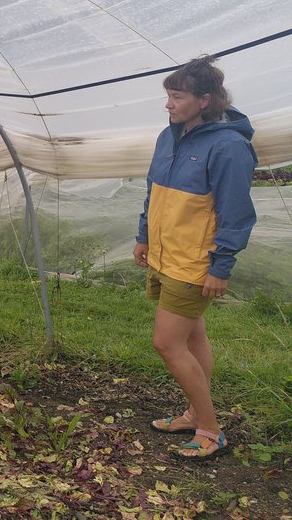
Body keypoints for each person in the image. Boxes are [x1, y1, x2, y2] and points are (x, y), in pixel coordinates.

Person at [134, 55, 257, 461]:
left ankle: (210, 429)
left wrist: (220, 267)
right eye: (167, 96)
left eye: (176, 97)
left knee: (167, 343)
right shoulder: (169, 134)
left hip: (194, 261)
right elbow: (154, 190)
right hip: (166, 254)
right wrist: (143, 236)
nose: (168, 105)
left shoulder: (229, 146)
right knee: (192, 336)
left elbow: (236, 214)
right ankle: (194, 413)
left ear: (205, 100)